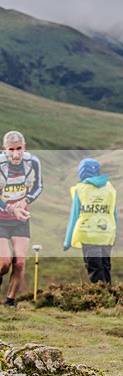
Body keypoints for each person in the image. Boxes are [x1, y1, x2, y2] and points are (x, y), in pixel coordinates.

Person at [0, 131, 43, 307]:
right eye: (11, 150)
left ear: (24, 147)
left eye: (19, 149)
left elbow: (38, 186)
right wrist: (10, 208)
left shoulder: (32, 162)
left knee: (19, 262)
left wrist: (24, 201)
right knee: (4, 263)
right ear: (4, 150)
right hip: (1, 218)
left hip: (20, 218)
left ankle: (10, 301)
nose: (15, 154)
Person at [63, 158, 117, 284]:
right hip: (106, 234)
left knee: (95, 267)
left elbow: (74, 215)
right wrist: (113, 236)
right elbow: (114, 214)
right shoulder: (109, 188)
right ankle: (109, 297)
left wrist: (67, 241)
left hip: (88, 234)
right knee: (105, 266)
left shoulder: (81, 189)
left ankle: (102, 298)